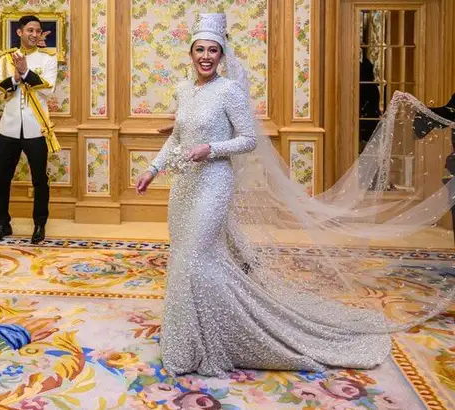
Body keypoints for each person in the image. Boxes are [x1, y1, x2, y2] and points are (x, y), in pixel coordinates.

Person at [136, 12, 453, 377]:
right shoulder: (183, 90)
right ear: (190, 53)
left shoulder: (229, 91)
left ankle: (229, 335)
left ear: (222, 54)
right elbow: (177, 138)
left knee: (196, 258)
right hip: (184, 187)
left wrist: (211, 148)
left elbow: (248, 139)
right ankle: (187, 340)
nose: (206, 56)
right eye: (200, 50)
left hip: (214, 183)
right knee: (183, 259)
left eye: (213, 50)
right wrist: (152, 169)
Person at [0, 15, 59, 245]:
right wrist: (15, 78)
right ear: (20, 32)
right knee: (1, 177)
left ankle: (39, 224)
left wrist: (26, 72)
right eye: (30, 30)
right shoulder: (6, 59)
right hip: (8, 128)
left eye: (37, 31)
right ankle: (3, 224)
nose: (34, 34)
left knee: (39, 179)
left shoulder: (48, 59)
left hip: (36, 128)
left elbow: (48, 89)